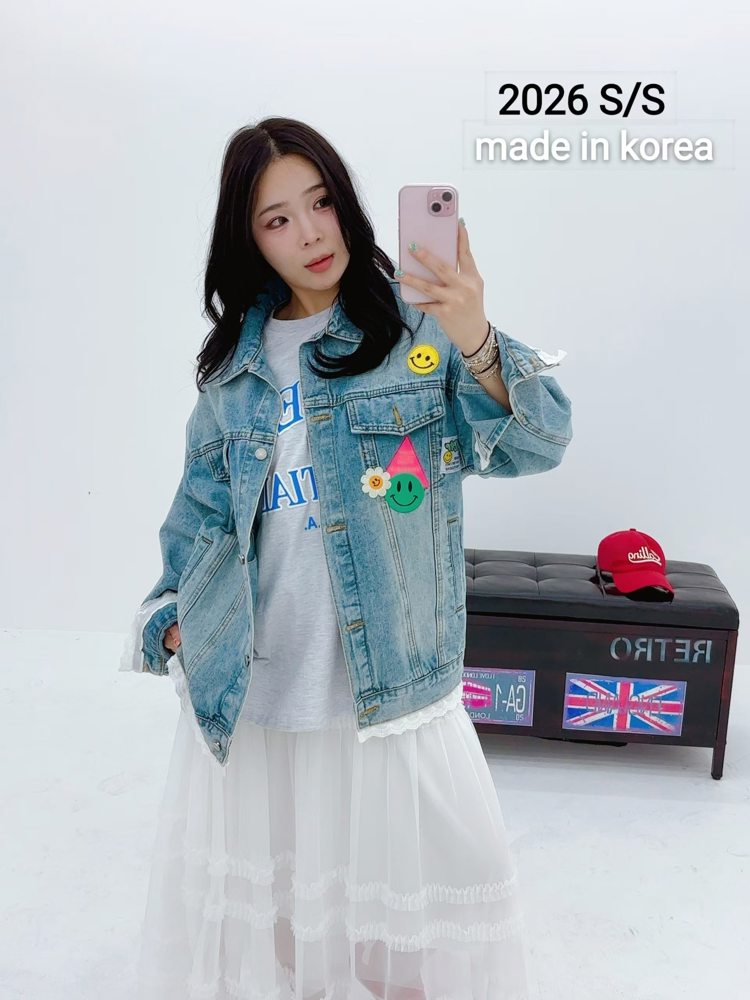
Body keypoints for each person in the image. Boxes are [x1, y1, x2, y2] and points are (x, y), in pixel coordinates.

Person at [120, 115, 573, 1000]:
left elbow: (538, 441)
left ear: (347, 204)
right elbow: (200, 521)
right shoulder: (232, 372)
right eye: (277, 219)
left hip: (388, 686)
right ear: (250, 240)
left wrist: (476, 335)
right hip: (261, 684)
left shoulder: (416, 330)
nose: (309, 233)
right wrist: (170, 621)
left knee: (406, 938)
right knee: (293, 929)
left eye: (320, 201)